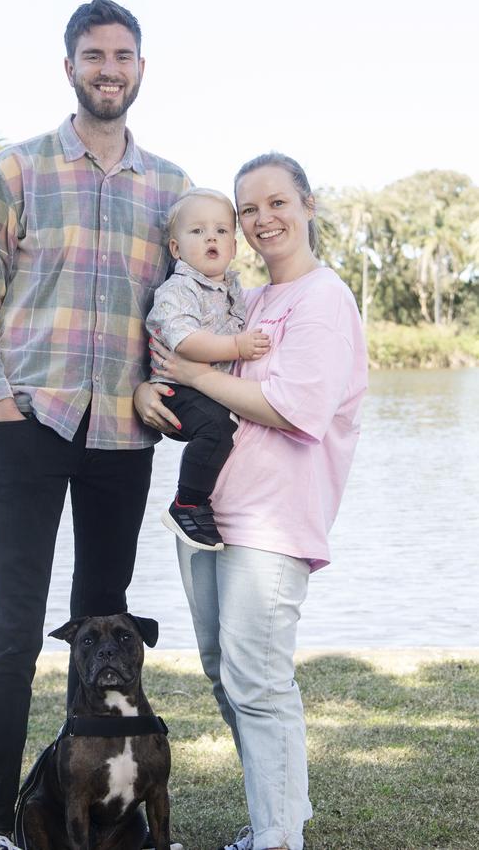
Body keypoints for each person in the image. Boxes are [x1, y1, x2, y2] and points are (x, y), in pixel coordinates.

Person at [0, 0, 191, 849]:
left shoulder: (168, 190)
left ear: (141, 69)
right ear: (70, 67)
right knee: (14, 628)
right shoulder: (15, 171)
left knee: (104, 626)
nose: (109, 68)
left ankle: (101, 813)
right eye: (94, 55)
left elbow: (178, 314)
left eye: (123, 55)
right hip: (30, 424)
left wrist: (167, 387)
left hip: (124, 439)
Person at [135, 152, 368, 850]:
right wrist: (154, 389)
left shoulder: (324, 299)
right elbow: (186, 377)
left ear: (307, 206)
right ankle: (280, 816)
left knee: (258, 679)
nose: (263, 219)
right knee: (226, 673)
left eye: (277, 203)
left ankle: (276, 838)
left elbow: (293, 407)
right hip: (210, 514)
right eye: (249, 209)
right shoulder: (248, 300)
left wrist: (197, 373)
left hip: (274, 518)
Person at [145, 188, 269, 550]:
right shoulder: (178, 290)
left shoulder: (231, 289)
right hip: (175, 390)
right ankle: (186, 504)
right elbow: (186, 342)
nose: (210, 237)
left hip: (206, 388)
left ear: (233, 245)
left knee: (223, 423)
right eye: (197, 231)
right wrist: (236, 347)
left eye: (220, 230)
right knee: (217, 427)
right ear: (176, 249)